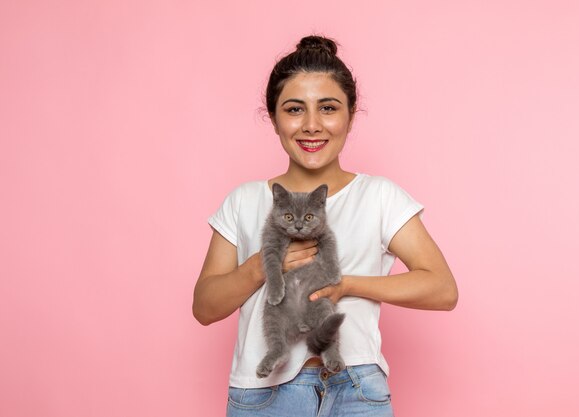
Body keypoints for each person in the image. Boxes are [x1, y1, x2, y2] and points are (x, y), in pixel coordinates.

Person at [192, 35, 458, 417]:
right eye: (295, 109)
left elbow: (442, 289)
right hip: (264, 395)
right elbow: (204, 307)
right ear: (273, 119)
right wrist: (261, 267)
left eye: (328, 108)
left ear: (350, 115)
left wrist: (347, 284)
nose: (312, 125)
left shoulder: (379, 196)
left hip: (355, 388)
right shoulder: (245, 200)